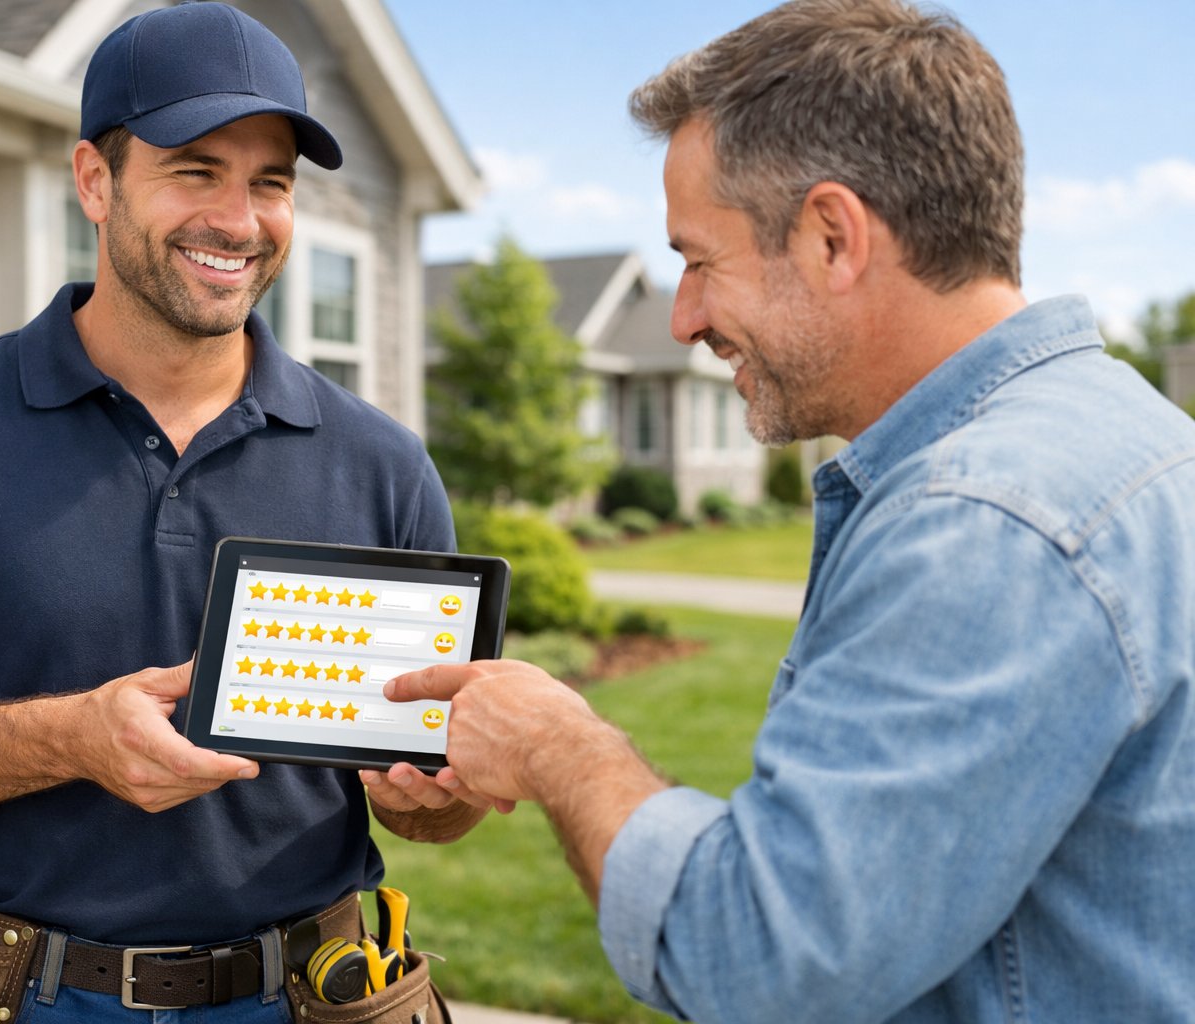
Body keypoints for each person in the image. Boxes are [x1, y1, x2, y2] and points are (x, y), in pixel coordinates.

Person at [385, 1, 1195, 1021]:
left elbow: (757, 961)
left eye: (698, 258)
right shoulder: (1127, 441)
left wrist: (559, 745)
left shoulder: (986, 522)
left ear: (830, 235)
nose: (682, 318)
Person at [0, 4, 485, 1021]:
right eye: (195, 170)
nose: (240, 217)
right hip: (10, 994)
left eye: (271, 182)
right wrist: (66, 738)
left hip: (310, 995)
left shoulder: (383, 464)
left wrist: (436, 800)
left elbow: (431, 801)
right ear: (96, 180)